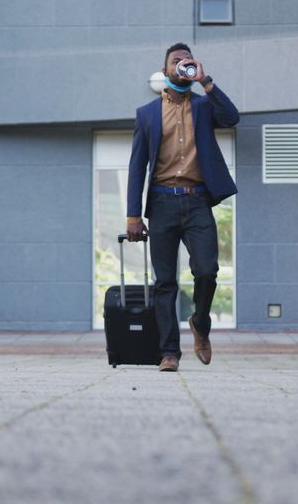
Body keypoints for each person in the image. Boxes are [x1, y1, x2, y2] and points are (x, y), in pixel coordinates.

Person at [126, 43, 240, 372]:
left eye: (186, 62)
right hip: (161, 202)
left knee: (207, 270)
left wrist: (206, 82)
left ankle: (200, 323)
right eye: (176, 61)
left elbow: (231, 118)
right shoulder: (147, 114)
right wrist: (134, 215)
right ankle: (169, 353)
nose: (181, 65)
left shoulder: (204, 107)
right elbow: (137, 166)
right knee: (165, 282)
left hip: (196, 200)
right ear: (165, 72)